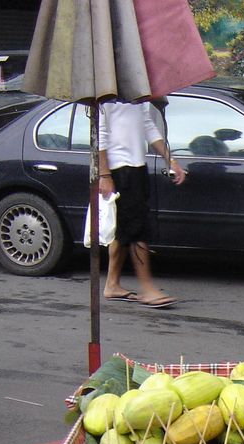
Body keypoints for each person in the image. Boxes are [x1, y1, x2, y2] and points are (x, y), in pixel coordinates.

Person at [98, 99, 187, 309]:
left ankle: (112, 284)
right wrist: (104, 175)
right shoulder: (106, 94)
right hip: (119, 169)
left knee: (124, 229)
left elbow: (147, 125)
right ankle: (147, 288)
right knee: (137, 229)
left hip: (137, 167)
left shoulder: (136, 95)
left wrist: (170, 159)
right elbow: (99, 135)